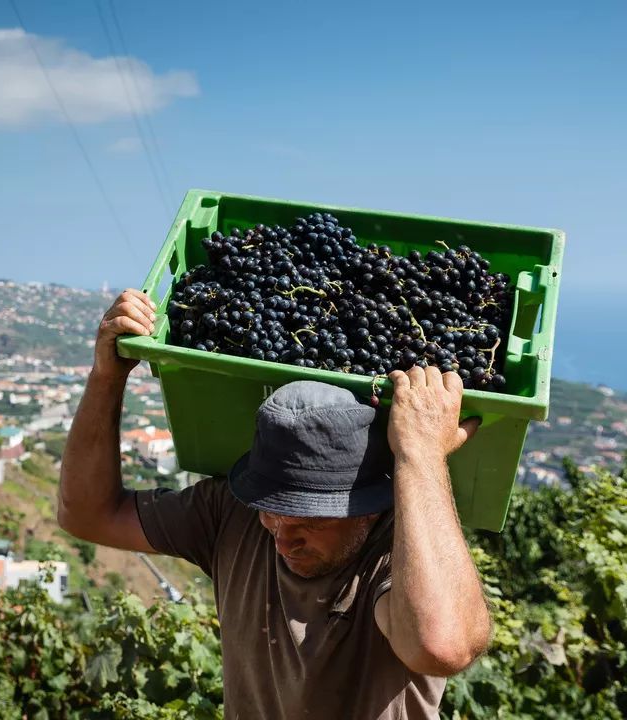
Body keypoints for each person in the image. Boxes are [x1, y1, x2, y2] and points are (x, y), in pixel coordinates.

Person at [58, 289, 492, 719]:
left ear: (368, 507)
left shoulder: (399, 550)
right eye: (271, 512)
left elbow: (443, 646)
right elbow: (87, 515)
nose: (283, 540)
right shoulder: (231, 513)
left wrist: (421, 456)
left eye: (310, 520)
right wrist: (106, 378)